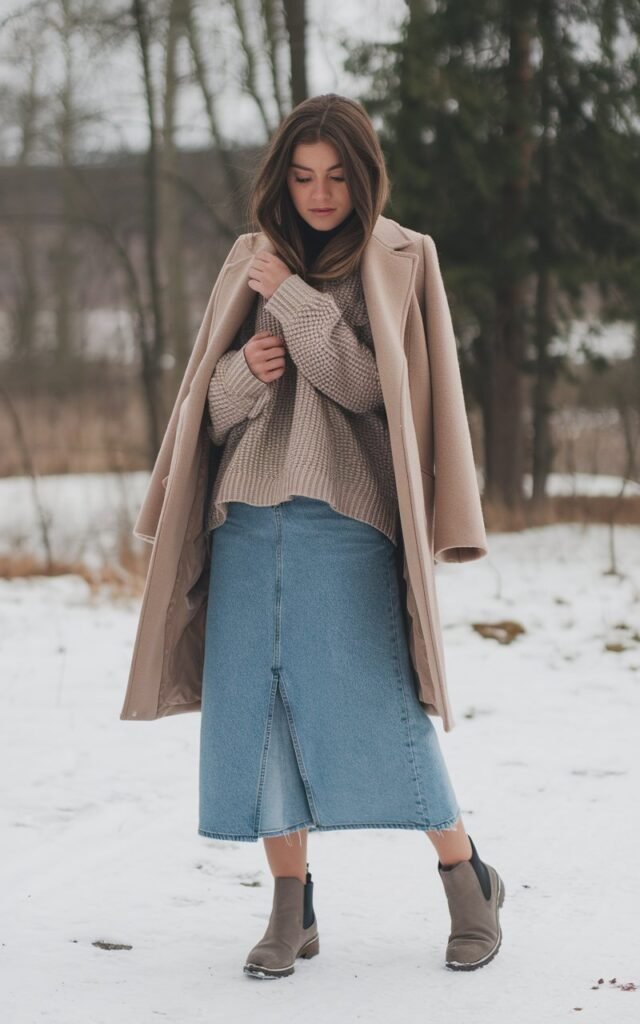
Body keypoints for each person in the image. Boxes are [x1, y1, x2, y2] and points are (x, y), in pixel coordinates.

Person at [197, 93, 504, 980]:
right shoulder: (246, 260)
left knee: (381, 708)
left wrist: (293, 304)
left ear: (362, 178)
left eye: (335, 176)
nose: (318, 193)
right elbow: (204, 417)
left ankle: (467, 880)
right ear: (279, 180)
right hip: (246, 518)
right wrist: (241, 377)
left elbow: (372, 392)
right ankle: (291, 910)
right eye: (301, 175)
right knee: (261, 715)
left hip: (347, 519)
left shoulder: (398, 258)